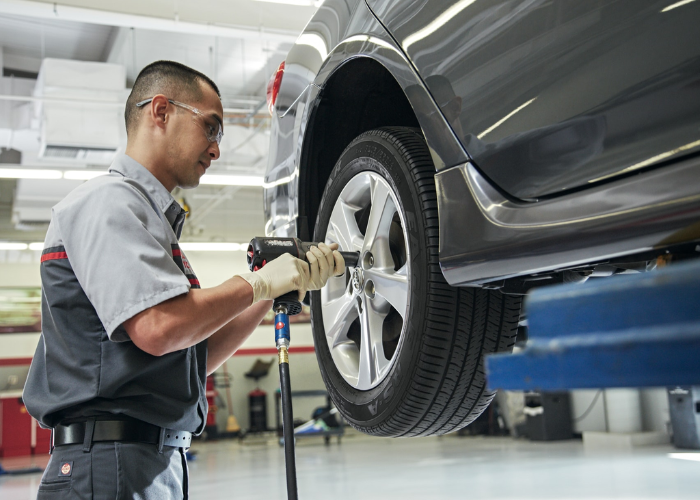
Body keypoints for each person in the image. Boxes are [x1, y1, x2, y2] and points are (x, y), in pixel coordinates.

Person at [22, 60, 345, 499]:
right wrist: (257, 284)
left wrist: (272, 290)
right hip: (109, 461)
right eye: (211, 128)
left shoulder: (148, 222)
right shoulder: (108, 203)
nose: (216, 150)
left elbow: (193, 356)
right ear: (160, 111)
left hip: (146, 459)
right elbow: (159, 329)